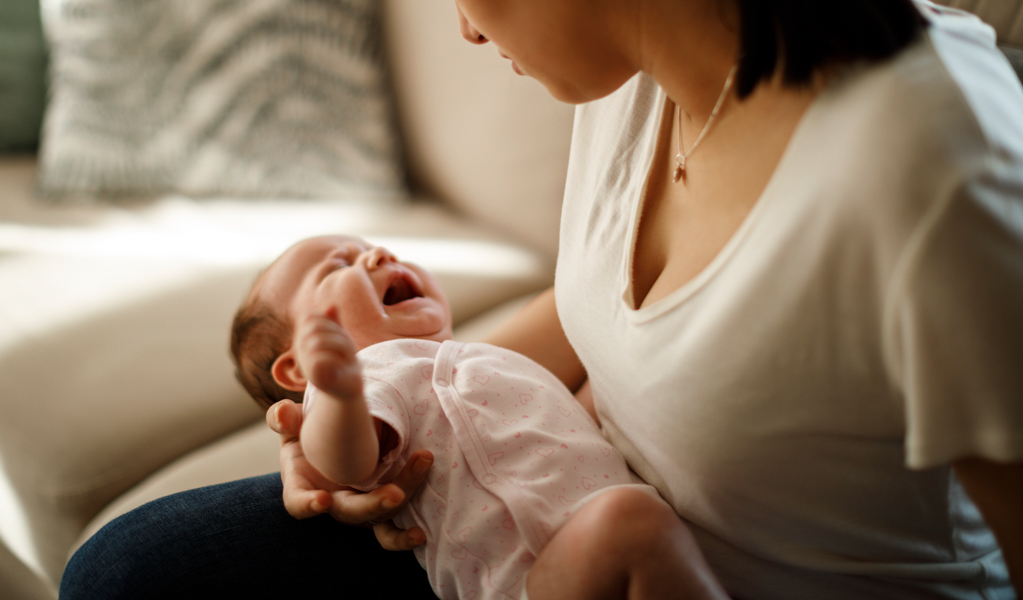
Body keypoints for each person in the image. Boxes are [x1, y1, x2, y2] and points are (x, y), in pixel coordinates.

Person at [60, 0, 1023, 598]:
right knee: (126, 569)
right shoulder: (628, 60)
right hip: (566, 538)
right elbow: (622, 311)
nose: (469, 29)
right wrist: (345, 420)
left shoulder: (923, 159)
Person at [229, 233, 695, 599]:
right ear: (297, 368)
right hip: (526, 577)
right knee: (631, 521)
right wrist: (335, 394)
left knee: (637, 526)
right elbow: (347, 464)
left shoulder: (476, 364)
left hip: (594, 555)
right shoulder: (372, 375)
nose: (379, 255)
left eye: (373, 248)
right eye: (339, 265)